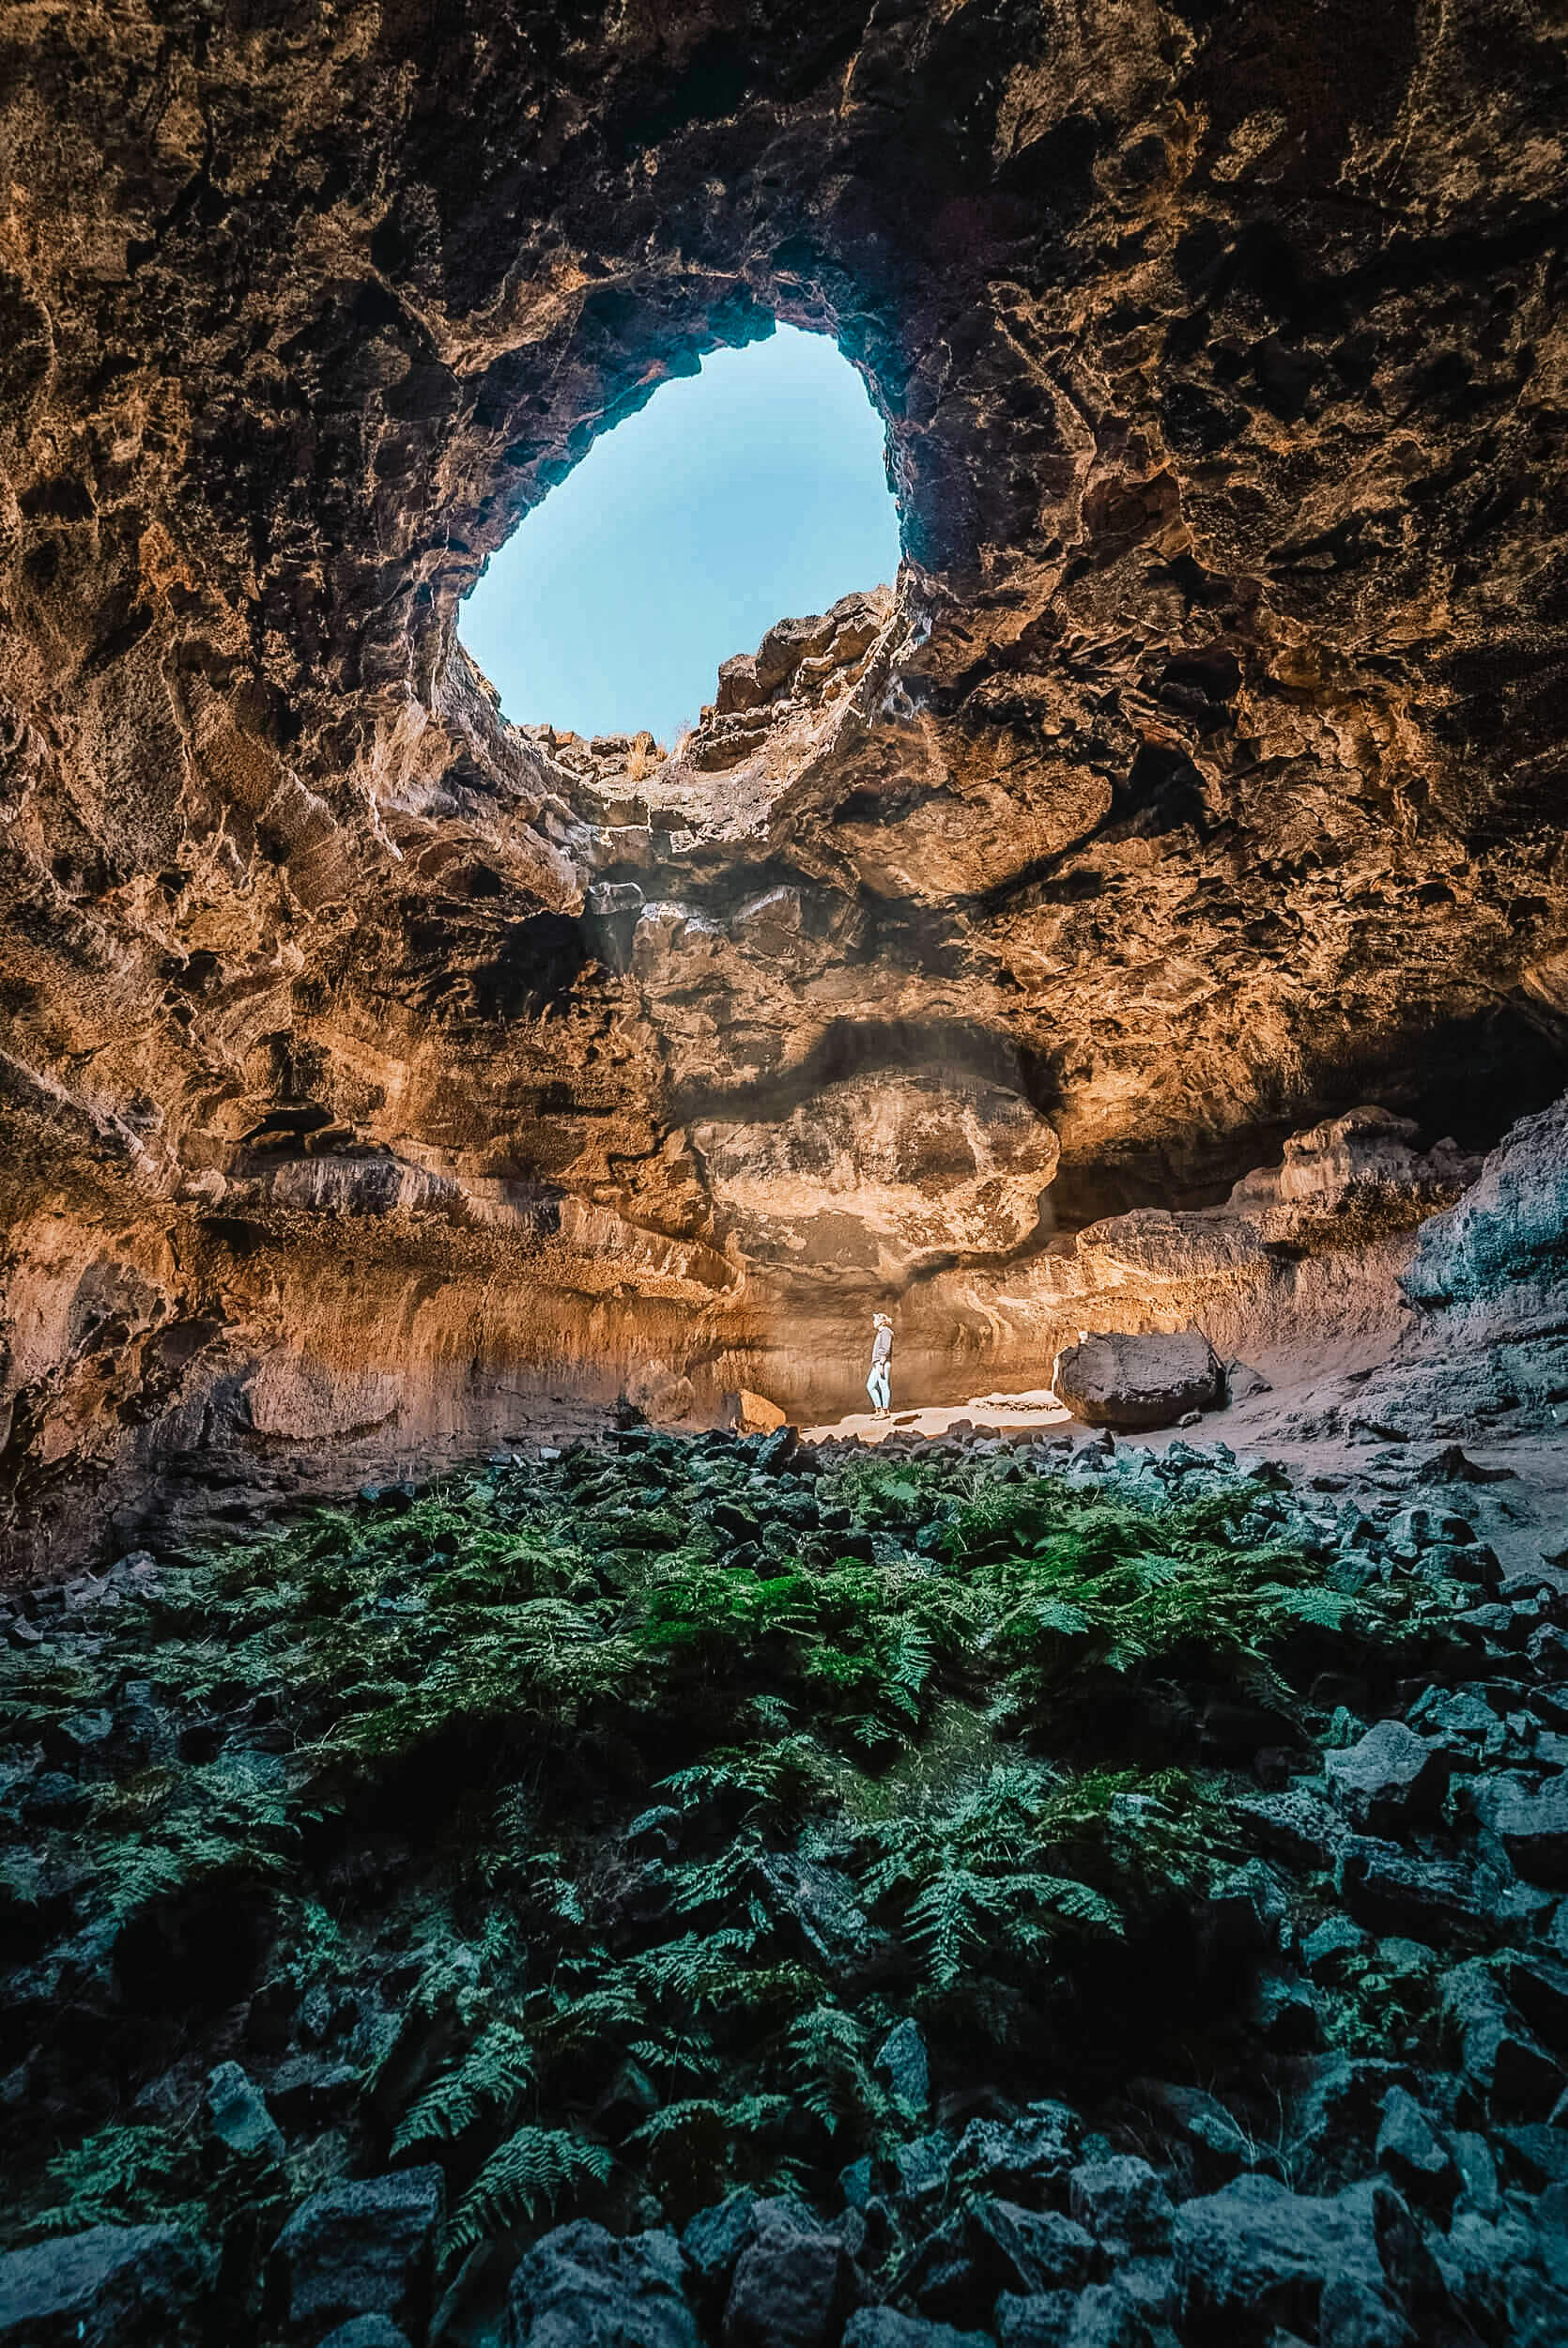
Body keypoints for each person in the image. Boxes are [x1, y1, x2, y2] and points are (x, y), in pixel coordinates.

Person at [866, 1311, 893, 1416]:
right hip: (878, 1363)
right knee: (870, 1386)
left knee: (883, 1386)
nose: (873, 1322)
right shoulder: (881, 1332)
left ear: (880, 1322)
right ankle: (879, 1409)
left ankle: (885, 1411)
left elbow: (885, 1349)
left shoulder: (886, 1332)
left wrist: (881, 1363)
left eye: (875, 1320)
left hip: (882, 1363)